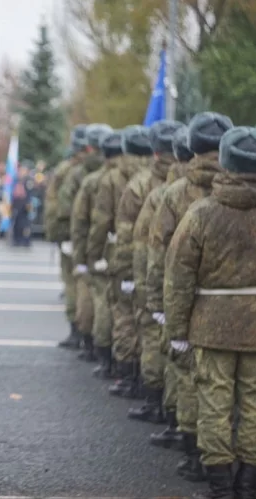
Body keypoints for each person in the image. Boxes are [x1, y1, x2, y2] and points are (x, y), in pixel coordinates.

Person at [165, 126, 256, 499]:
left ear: (226, 162)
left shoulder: (200, 213)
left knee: (214, 405)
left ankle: (221, 489)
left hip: (211, 326)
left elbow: (178, 276)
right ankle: (247, 488)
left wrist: (176, 330)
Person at [146, 111, 233, 482]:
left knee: (191, 379)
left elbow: (159, 253)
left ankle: (198, 457)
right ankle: (238, 473)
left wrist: (159, 305)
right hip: (252, 309)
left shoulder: (175, 194)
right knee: (241, 393)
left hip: (191, 302)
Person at [111, 120, 185, 401]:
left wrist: (129, 274)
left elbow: (134, 237)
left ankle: (153, 396)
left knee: (149, 332)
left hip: (156, 273)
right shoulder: (203, 184)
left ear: (157, 152)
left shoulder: (144, 187)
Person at [129, 127, 193, 436]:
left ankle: (171, 418)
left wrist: (148, 293)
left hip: (172, 287)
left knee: (169, 353)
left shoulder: (163, 193)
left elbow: (147, 246)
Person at [89, 125, 153, 396]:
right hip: (159, 256)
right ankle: (147, 378)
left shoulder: (114, 178)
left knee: (124, 315)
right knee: (151, 321)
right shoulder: (161, 176)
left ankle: (127, 374)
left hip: (124, 252)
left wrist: (93, 255)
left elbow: (103, 220)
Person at [58, 125, 104, 350]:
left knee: (78, 287)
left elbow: (66, 208)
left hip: (80, 237)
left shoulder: (76, 173)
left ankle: (80, 332)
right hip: (112, 242)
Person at [71, 125, 113, 363]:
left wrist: (83, 256)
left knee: (93, 298)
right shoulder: (141, 175)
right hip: (126, 251)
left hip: (97, 246)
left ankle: (93, 346)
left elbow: (81, 220)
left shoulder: (86, 177)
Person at [11, 164, 34, 247]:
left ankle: (26, 240)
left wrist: (28, 205)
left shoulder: (28, 181)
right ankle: (17, 239)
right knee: (17, 223)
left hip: (25, 205)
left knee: (26, 225)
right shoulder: (16, 180)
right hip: (17, 205)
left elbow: (29, 194)